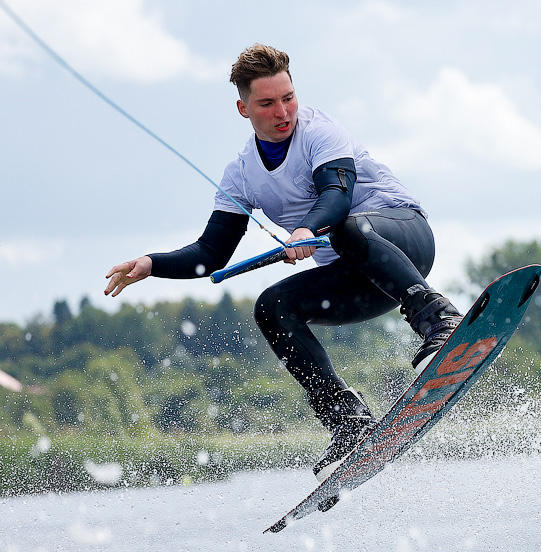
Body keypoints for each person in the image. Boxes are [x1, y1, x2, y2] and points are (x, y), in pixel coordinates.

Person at [104, 43, 461, 482]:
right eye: (267, 103)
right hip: (360, 282)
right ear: (243, 108)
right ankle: (347, 421)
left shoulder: (320, 132)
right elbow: (210, 254)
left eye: (288, 98)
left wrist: (306, 230)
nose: (283, 111)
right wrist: (151, 263)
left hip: (403, 240)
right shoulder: (240, 175)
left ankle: (439, 320)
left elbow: (336, 197)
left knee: (346, 226)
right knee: (271, 306)